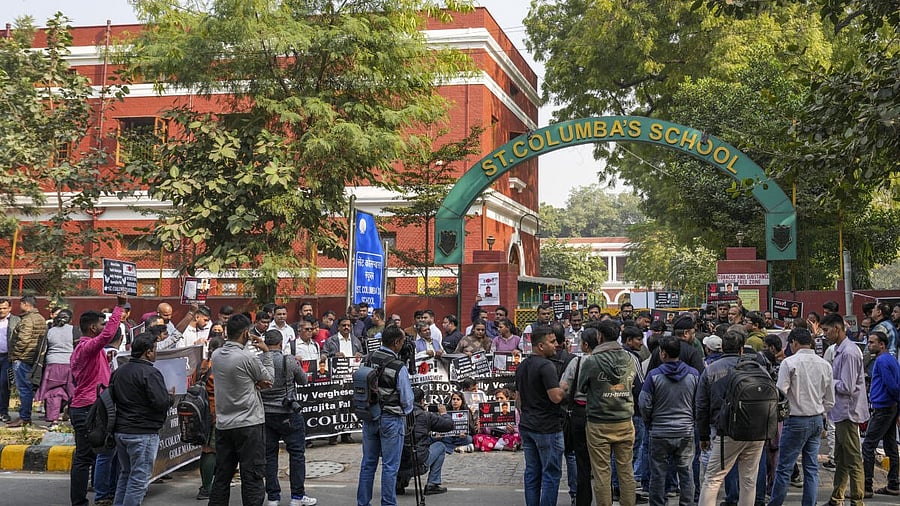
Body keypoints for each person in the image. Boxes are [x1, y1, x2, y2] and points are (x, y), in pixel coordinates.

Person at [209, 314, 275, 506]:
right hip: (249, 424)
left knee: (222, 476)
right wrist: (266, 352)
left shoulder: (216, 355)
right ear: (246, 333)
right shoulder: (247, 357)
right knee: (252, 476)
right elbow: (269, 379)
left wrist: (255, 381)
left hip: (224, 424)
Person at [696, 325, 765, 506]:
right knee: (749, 480)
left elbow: (702, 406)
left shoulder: (711, 370)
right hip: (757, 430)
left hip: (726, 431)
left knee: (713, 478)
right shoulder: (757, 367)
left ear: (722, 348)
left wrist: (703, 435)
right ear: (742, 349)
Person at [70, 294, 127, 506]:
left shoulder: (89, 350)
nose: (105, 328)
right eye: (102, 324)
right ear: (93, 328)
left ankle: (102, 494)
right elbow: (107, 336)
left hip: (92, 406)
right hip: (87, 408)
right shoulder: (87, 348)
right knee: (85, 458)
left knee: (101, 453)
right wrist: (119, 308)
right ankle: (81, 501)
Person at [767, 327, 834, 506]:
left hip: (796, 419)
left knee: (783, 468)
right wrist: (821, 411)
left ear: (794, 343)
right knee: (811, 468)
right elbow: (830, 400)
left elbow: (781, 392)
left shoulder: (789, 363)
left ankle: (775, 503)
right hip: (817, 418)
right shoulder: (824, 364)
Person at [111, 332, 175, 506]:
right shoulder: (150, 373)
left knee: (126, 474)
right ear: (148, 352)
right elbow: (160, 402)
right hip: (142, 433)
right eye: (154, 349)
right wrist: (170, 397)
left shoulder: (120, 371)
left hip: (122, 430)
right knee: (139, 479)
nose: (156, 353)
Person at [579, 320, 638, 506]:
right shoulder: (630, 359)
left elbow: (581, 387)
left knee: (602, 472)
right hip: (625, 420)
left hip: (598, 422)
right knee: (626, 471)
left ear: (599, 337)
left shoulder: (592, 361)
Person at [357, 325, 414, 506]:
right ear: (396, 342)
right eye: (402, 341)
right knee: (390, 467)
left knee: (368, 464)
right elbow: (406, 399)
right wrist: (405, 413)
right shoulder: (398, 366)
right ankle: (388, 503)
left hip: (370, 416)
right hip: (391, 418)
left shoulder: (368, 359)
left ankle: (363, 502)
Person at [639, 336, 700, 506]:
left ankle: (658, 503)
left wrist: (650, 420)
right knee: (686, 472)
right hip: (685, 430)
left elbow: (644, 403)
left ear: (663, 354)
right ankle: (687, 503)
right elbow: (699, 402)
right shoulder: (693, 374)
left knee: (657, 473)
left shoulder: (653, 376)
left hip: (659, 431)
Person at [260, 330, 317, 506]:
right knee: (297, 455)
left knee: (270, 456)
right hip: (289, 413)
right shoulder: (288, 360)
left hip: (266, 414)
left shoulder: (258, 361)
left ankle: (273, 497)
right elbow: (304, 381)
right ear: (280, 343)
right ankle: (297, 497)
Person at [515, 323, 565, 506]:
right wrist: (564, 388)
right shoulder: (546, 366)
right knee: (551, 473)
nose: (556, 345)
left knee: (532, 472)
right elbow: (556, 397)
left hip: (527, 425)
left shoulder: (522, 366)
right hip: (547, 428)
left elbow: (518, 400)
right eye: (552, 342)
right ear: (541, 346)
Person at [823, 312, 869, 506]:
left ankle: (857, 500)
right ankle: (837, 497)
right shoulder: (841, 350)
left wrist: (828, 382)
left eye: (826, 330)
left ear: (837, 328)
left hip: (848, 411)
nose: (824, 334)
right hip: (841, 411)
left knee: (852, 458)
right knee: (841, 457)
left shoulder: (849, 352)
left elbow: (847, 387)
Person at [559, 326, 600, 506]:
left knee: (582, 460)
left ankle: (583, 500)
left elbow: (564, 387)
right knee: (602, 460)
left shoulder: (576, 363)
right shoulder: (605, 361)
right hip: (602, 413)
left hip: (579, 412)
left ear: (584, 345)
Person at [861, 331, 899, 497]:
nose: (870, 345)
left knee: (868, 445)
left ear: (882, 344)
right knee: (891, 447)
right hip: (889, 407)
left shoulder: (882, 361)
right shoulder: (890, 359)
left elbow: (892, 386)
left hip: (883, 408)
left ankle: (866, 486)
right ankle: (893, 484)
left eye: (872, 342)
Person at [397, 387, 455, 496]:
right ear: (422, 401)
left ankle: (398, 482)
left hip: (397, 464)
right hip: (419, 464)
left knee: (405, 448)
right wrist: (444, 414)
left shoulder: (397, 414)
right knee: (440, 446)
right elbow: (449, 425)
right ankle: (432, 484)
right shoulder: (426, 415)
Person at [8, 295, 47, 427]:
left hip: (23, 358)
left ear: (25, 304)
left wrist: (15, 355)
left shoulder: (27, 320)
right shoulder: (41, 318)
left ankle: (24, 417)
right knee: (27, 388)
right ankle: (25, 416)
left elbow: (23, 340)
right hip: (34, 358)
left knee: (23, 389)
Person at [196, 334, 224, 501]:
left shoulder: (201, 365)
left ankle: (206, 484)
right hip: (215, 413)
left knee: (206, 449)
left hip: (201, 413)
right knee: (210, 450)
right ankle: (207, 487)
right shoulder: (218, 368)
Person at [36, 308, 75, 425]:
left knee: (53, 393)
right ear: (71, 320)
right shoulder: (75, 330)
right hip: (69, 365)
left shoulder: (50, 331)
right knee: (73, 391)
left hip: (52, 365)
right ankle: (72, 414)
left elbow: (43, 349)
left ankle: (53, 420)